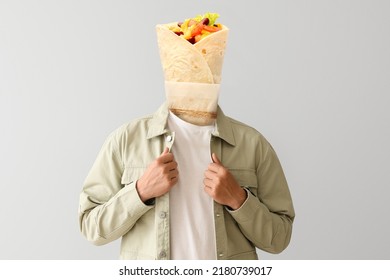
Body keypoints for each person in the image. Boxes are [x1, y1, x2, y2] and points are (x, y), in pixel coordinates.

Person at [78, 14, 295, 260]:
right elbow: (90, 226)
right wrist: (139, 192)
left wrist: (239, 199)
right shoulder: (125, 140)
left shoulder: (253, 144)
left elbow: (280, 238)